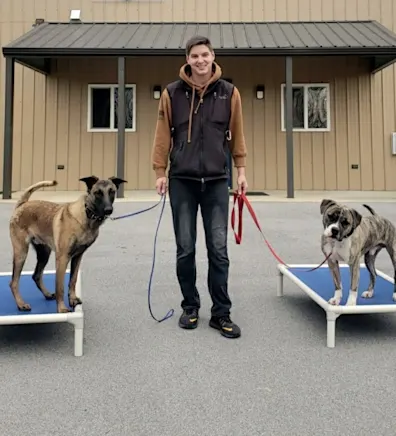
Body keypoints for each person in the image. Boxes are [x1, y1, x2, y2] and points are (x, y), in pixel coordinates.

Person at [151, 35, 248, 339]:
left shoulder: (229, 93)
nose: (201, 60)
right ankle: (190, 306)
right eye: (195, 56)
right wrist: (160, 171)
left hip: (218, 182)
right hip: (182, 181)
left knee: (218, 250)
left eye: (205, 55)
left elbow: (237, 134)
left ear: (213, 56)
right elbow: (162, 136)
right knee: (185, 249)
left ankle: (221, 313)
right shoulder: (172, 93)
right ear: (187, 59)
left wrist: (241, 171)